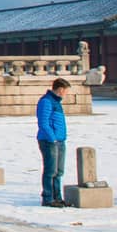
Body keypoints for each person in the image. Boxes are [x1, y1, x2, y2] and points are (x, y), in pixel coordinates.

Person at [36, 77, 70, 207]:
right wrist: (52, 138)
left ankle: (57, 197)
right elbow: (43, 122)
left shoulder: (56, 102)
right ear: (60, 90)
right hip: (49, 140)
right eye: (66, 91)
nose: (66, 93)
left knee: (59, 171)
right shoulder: (46, 101)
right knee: (51, 170)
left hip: (59, 140)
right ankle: (48, 198)